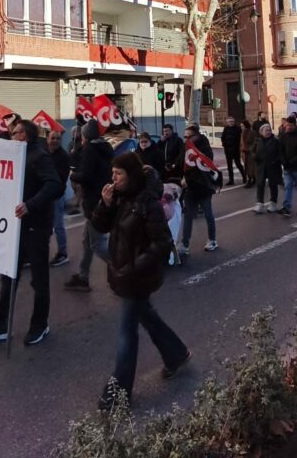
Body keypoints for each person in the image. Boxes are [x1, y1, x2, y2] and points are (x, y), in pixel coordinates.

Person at [92, 152, 190, 411]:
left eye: (118, 174)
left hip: (137, 277)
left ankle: (119, 392)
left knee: (127, 331)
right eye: (112, 173)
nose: (113, 178)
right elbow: (100, 226)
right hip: (124, 274)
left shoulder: (147, 202)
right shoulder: (121, 198)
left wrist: (134, 267)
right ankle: (176, 353)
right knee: (147, 317)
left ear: (131, 175)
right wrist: (105, 203)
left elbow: (163, 243)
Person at [0, 120, 63, 345]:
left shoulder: (38, 156)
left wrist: (30, 205)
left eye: (15, 133)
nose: (11, 137)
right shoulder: (13, 155)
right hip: (15, 227)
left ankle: (39, 324)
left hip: (35, 227)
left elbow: (54, 185)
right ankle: (0, 323)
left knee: (39, 279)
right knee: (8, 276)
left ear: (25, 134)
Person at [64, 119, 113, 292]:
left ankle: (123, 270)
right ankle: (83, 277)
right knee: (87, 241)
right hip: (98, 198)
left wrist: (73, 175)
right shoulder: (103, 147)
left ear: (86, 135)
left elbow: (87, 175)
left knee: (97, 244)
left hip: (94, 202)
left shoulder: (90, 149)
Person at [180, 123, 219, 254]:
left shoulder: (205, 148)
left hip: (203, 186)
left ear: (196, 136)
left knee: (208, 213)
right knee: (188, 216)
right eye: (185, 136)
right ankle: (185, 245)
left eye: (188, 136)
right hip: (190, 188)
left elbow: (206, 166)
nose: (186, 139)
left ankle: (212, 240)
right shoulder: (186, 148)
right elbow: (182, 163)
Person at [47, 130, 71, 268]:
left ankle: (63, 253)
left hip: (56, 196)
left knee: (58, 226)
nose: (55, 140)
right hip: (44, 196)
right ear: (48, 139)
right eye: (53, 138)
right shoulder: (44, 152)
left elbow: (62, 178)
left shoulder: (63, 156)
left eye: (57, 138)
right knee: (43, 226)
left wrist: (49, 172)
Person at [253, 123, 283, 214]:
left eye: (269, 130)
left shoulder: (276, 141)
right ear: (261, 132)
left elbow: (280, 153)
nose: (268, 132)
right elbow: (252, 151)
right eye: (266, 130)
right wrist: (255, 157)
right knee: (260, 185)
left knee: (273, 185)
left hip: (273, 166)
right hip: (261, 166)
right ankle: (259, 203)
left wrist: (276, 161)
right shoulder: (257, 141)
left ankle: (273, 204)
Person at [220, 116, 245, 186]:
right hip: (227, 150)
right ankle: (231, 180)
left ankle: (244, 177)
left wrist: (239, 147)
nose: (231, 123)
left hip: (235, 149)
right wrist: (224, 144)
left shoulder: (238, 129)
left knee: (238, 164)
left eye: (232, 121)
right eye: (229, 122)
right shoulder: (226, 128)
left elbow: (240, 139)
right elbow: (223, 137)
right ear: (227, 122)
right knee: (229, 166)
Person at [240, 119, 257, 188]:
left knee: (251, 167)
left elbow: (255, 142)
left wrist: (250, 149)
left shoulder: (252, 132)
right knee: (246, 166)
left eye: (242, 126)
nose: (241, 127)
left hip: (251, 152)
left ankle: (250, 179)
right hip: (244, 153)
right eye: (241, 126)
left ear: (246, 126)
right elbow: (241, 143)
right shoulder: (242, 133)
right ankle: (251, 178)